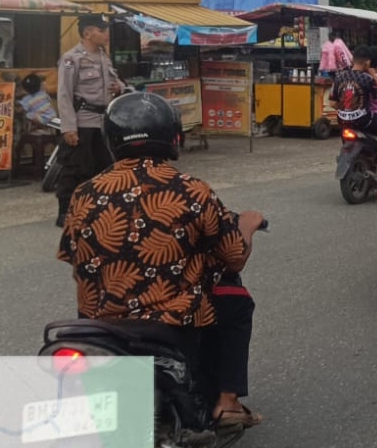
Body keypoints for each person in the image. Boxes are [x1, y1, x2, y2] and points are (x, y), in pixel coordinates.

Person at [56, 93, 268, 429]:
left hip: (99, 325)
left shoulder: (84, 194)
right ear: (172, 136)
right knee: (237, 301)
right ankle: (228, 403)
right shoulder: (191, 190)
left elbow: (72, 255)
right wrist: (248, 226)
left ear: (112, 140)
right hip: (172, 323)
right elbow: (233, 257)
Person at [55, 16, 126, 228]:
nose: (106, 34)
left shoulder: (104, 57)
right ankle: (65, 211)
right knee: (75, 168)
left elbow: (115, 81)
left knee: (105, 168)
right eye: (101, 30)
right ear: (87, 33)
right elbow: (64, 94)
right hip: (83, 121)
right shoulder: (72, 59)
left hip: (103, 121)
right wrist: (69, 127)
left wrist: (120, 87)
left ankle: (97, 210)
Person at [331, 46, 377, 136]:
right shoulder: (367, 78)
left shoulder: (339, 78)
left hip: (342, 121)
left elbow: (333, 104)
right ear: (368, 62)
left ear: (352, 60)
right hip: (363, 121)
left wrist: (346, 112)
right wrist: (373, 74)